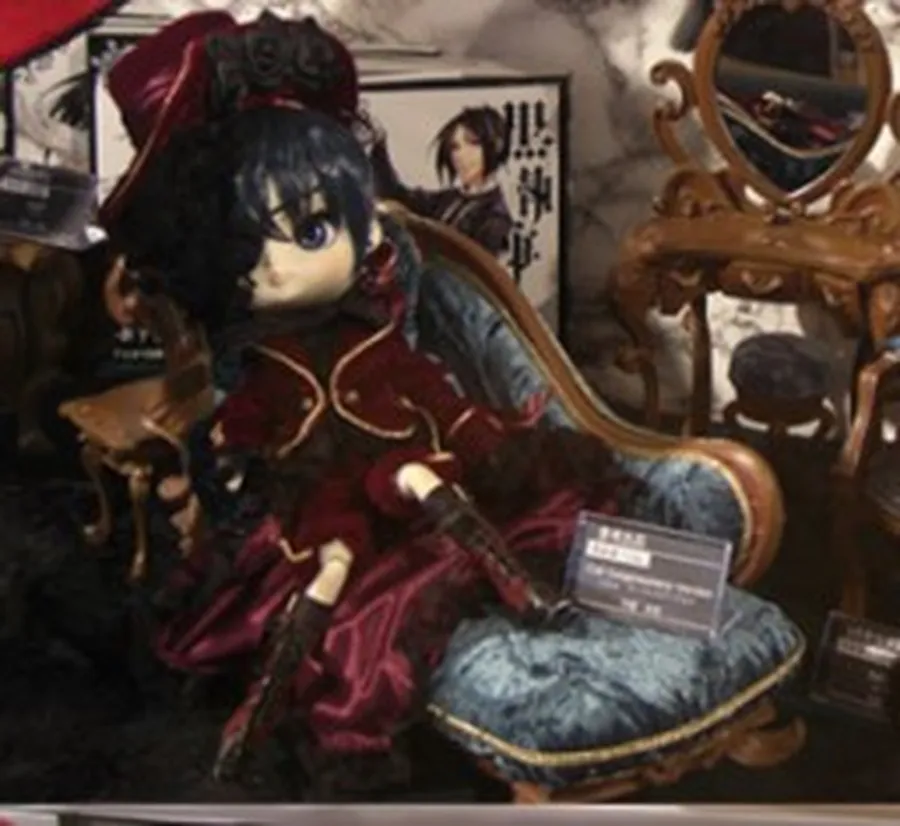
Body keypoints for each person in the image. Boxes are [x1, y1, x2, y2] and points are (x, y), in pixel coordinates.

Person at [100, 9, 634, 798]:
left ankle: (522, 584)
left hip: (400, 468)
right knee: (332, 563)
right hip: (317, 495)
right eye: (246, 251)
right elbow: (249, 425)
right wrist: (236, 455)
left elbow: (431, 393)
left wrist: (477, 435)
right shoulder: (263, 359)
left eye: (313, 229)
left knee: (419, 478)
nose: (278, 267)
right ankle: (263, 706)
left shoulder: (371, 332)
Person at [368, 105, 513, 258]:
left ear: (496, 146)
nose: (460, 155)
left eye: (472, 143)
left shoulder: (495, 220)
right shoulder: (447, 200)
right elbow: (396, 194)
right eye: (455, 147)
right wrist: (378, 145)